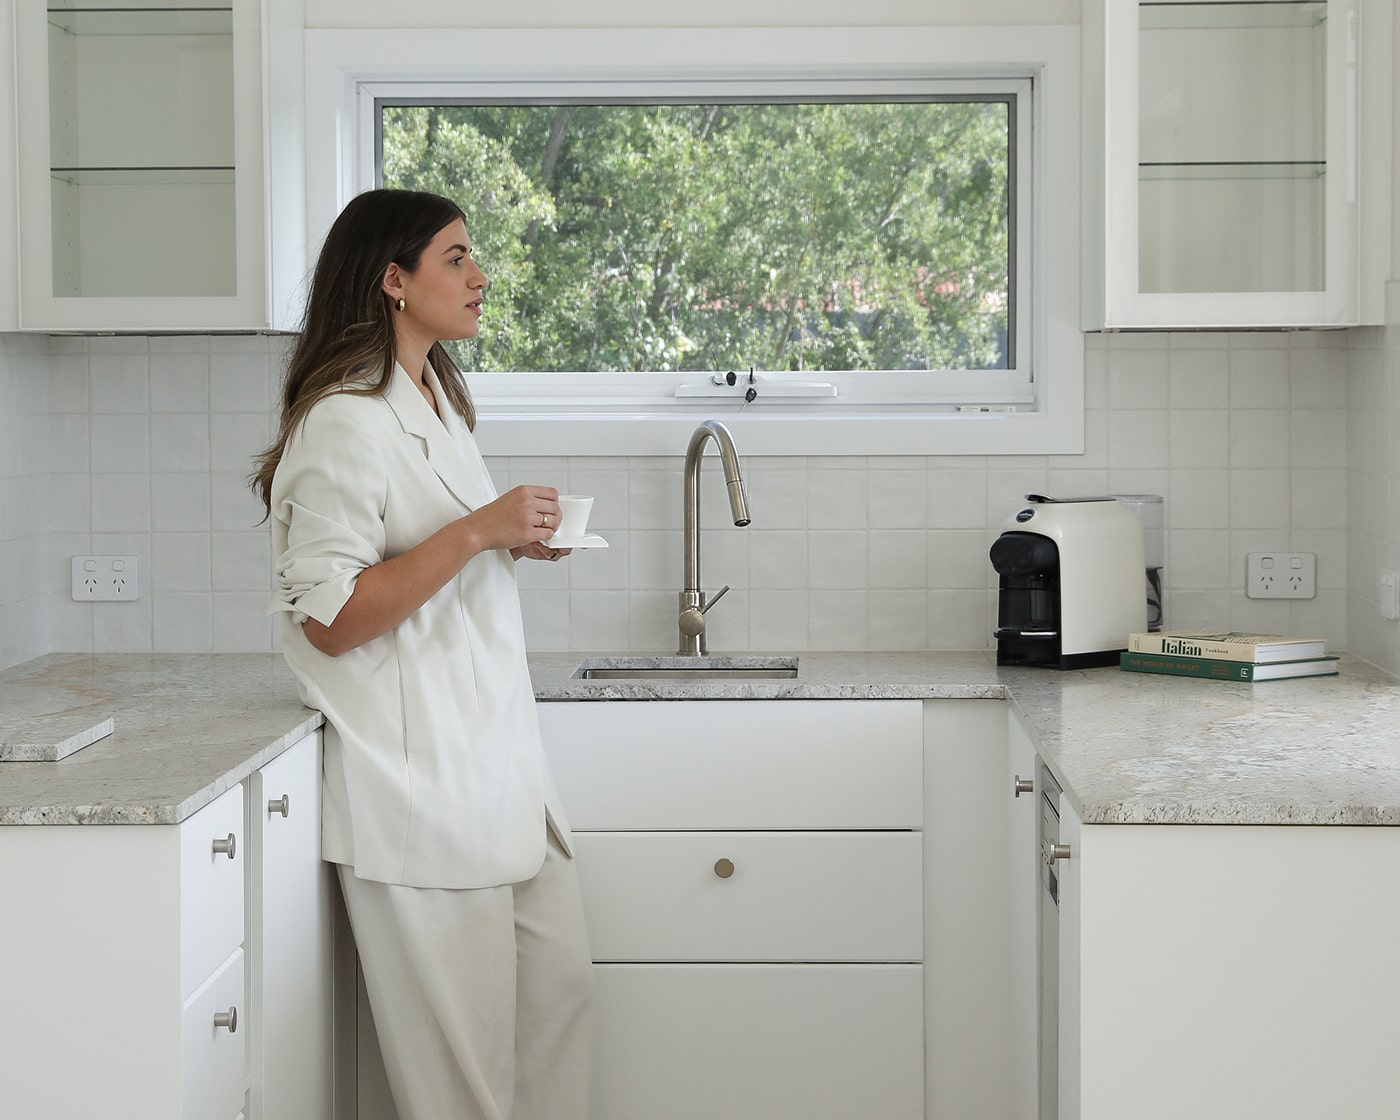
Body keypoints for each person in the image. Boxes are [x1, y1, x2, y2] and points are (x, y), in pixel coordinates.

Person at [250, 188, 593, 1120]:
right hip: (421, 793)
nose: (480, 277)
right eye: (456, 258)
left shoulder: (437, 401)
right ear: (393, 281)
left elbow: (433, 554)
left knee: (557, 1028)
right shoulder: (341, 422)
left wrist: (500, 540)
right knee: (465, 1092)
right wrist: (478, 533)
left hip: (497, 777)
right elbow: (332, 614)